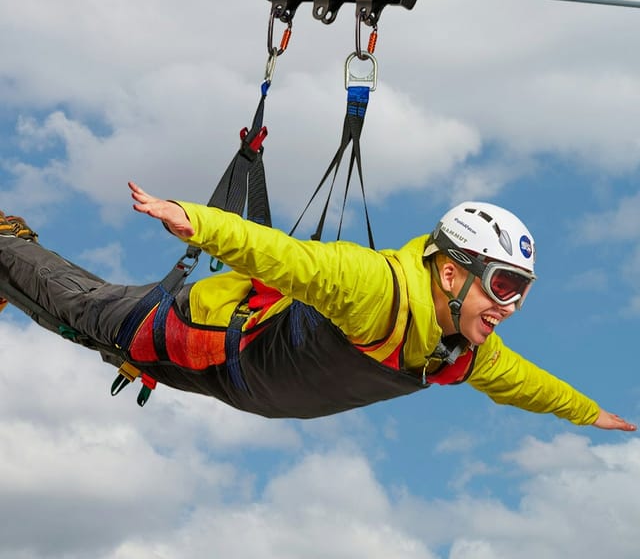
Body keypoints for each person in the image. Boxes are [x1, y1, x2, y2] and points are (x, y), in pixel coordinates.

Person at [0, 182, 635, 431]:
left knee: (92, 323)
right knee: (87, 319)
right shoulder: (373, 287)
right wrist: (194, 221)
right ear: (449, 272)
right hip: (203, 338)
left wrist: (591, 414)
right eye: (502, 286)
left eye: (522, 291)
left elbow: (529, 385)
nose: (512, 306)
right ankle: (7, 244)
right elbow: (282, 256)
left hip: (237, 384)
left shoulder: (464, 355)